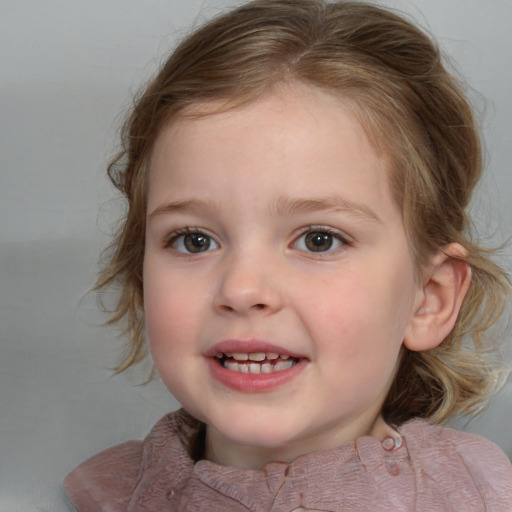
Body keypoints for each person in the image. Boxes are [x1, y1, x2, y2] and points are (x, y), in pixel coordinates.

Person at [63, 0, 512, 510]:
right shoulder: (103, 496)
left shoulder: (482, 495)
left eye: (319, 239)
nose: (242, 288)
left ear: (427, 299)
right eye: (194, 240)